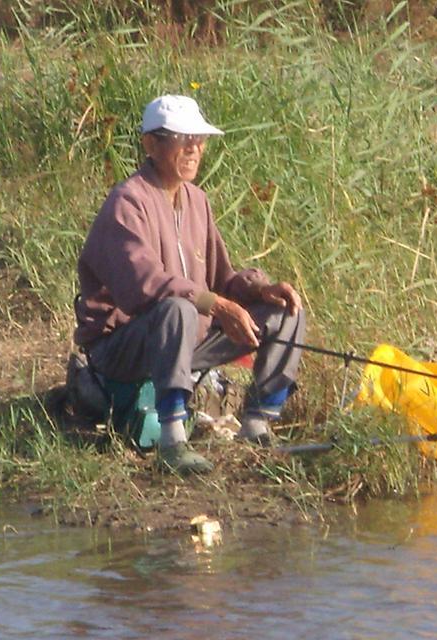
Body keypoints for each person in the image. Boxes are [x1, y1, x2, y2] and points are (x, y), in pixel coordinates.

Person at [73, 95, 306, 474]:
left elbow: (221, 279)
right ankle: (173, 438)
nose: (195, 149)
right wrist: (217, 305)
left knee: (284, 311)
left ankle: (259, 423)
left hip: (185, 342)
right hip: (123, 347)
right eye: (184, 140)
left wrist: (260, 289)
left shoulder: (197, 200)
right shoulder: (127, 202)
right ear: (152, 144)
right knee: (178, 306)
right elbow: (145, 286)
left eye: (199, 140)